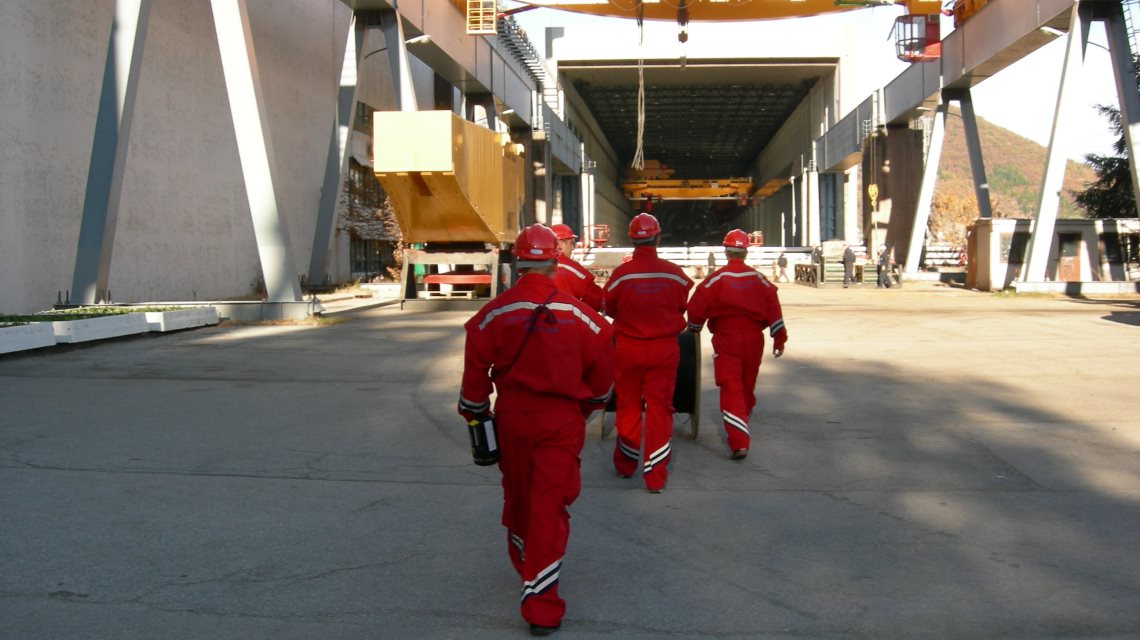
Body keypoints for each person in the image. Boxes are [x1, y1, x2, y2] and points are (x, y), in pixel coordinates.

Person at [458, 224, 615, 636]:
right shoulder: (579, 315)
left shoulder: (493, 314)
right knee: (549, 504)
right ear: (555, 262)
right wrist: (588, 407)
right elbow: (603, 378)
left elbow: (473, 383)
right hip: (561, 422)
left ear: (517, 263)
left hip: (512, 419)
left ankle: (528, 566)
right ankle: (541, 601)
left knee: (520, 497)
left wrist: (476, 416)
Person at [602, 213, 693, 493]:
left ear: (632, 239)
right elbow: (682, 304)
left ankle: (625, 465)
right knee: (659, 409)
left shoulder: (621, 274)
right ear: (658, 238)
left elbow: (609, 307)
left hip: (628, 348)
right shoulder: (674, 273)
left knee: (628, 405)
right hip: (663, 349)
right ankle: (655, 476)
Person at [686, 229, 787, 460]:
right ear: (746, 252)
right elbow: (773, 306)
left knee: (731, 385)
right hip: (754, 338)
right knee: (747, 384)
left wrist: (694, 327)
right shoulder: (759, 279)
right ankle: (743, 417)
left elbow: (696, 307)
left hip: (727, 337)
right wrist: (779, 337)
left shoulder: (716, 279)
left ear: (726, 252)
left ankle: (739, 441)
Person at [550, 223, 603, 311]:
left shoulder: (539, 267)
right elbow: (597, 301)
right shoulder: (572, 269)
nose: (572, 248)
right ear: (560, 244)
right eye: (571, 243)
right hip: (567, 316)